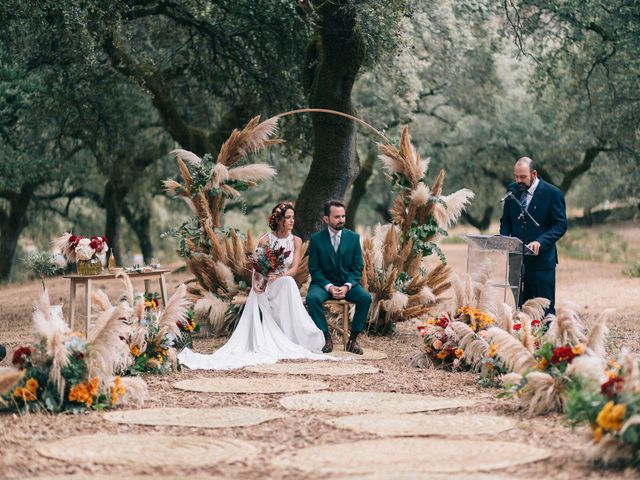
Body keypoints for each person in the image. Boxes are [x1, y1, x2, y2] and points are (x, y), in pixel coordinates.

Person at [178, 201, 328, 370]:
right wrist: (257, 282)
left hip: (283, 282)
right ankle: (273, 336)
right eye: (288, 218)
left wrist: (278, 275)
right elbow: (256, 267)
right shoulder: (266, 240)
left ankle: (293, 336)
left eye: (293, 217)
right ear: (279, 220)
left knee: (287, 282)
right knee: (280, 285)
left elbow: (293, 269)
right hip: (267, 286)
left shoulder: (297, 241)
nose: (292, 221)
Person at [499, 157, 567, 315]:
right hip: (516, 260)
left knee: (544, 309)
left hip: (542, 261)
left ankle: (547, 339)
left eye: (522, 177)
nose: (518, 181)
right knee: (522, 308)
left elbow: (560, 225)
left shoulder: (553, 194)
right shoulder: (512, 190)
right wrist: (504, 238)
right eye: (516, 176)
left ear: (534, 174)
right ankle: (525, 338)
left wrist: (540, 242)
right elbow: (506, 220)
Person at [307, 200, 372, 354]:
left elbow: (358, 268)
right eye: (337, 217)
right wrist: (329, 287)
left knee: (365, 298)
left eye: (343, 216)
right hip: (323, 284)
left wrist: (346, 286)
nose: (341, 220)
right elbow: (314, 269)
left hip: (347, 284)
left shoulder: (353, 238)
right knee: (312, 299)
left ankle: (353, 340)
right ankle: (326, 338)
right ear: (326, 219)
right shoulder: (316, 239)